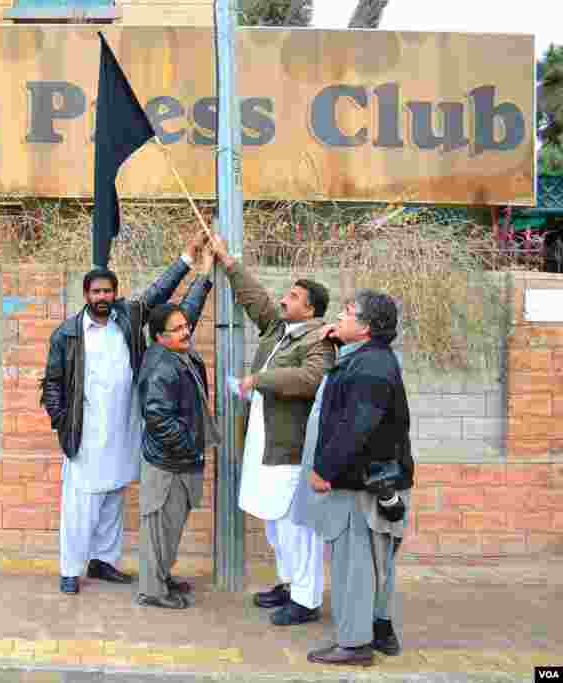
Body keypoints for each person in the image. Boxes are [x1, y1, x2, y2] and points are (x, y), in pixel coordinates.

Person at [40, 231, 211, 595]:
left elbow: (159, 293)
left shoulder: (127, 318)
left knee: (114, 496)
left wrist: (188, 258)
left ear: (115, 293)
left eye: (108, 291)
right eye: (96, 291)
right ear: (85, 295)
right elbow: (52, 383)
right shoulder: (67, 334)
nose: (102, 297)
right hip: (85, 433)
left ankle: (104, 561)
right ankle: (71, 569)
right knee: (81, 504)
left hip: (123, 429)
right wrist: (62, 420)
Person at [213, 238, 335, 626]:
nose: (283, 301)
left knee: (295, 523)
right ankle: (288, 583)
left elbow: (311, 378)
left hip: (290, 447)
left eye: (293, 296)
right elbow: (256, 299)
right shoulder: (279, 328)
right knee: (273, 520)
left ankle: (307, 598)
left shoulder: (320, 340)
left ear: (310, 308)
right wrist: (228, 261)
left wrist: (260, 379)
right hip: (264, 442)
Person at [290, 290, 414, 667]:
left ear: (366, 327)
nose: (338, 319)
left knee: (355, 567)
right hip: (370, 482)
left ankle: (355, 643)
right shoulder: (367, 358)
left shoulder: (371, 367)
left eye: (347, 314)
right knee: (372, 564)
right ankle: (376, 630)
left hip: (363, 486)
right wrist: (337, 343)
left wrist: (323, 469)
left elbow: (355, 427)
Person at [134, 243, 217, 609]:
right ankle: (152, 591)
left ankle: (162, 577)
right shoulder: (161, 367)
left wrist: (206, 271)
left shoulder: (174, 348)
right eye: (179, 329)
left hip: (179, 460)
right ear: (159, 337)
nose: (187, 331)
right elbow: (158, 419)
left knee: (170, 529)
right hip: (168, 464)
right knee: (158, 530)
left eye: (186, 327)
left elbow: (190, 310)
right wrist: (188, 446)